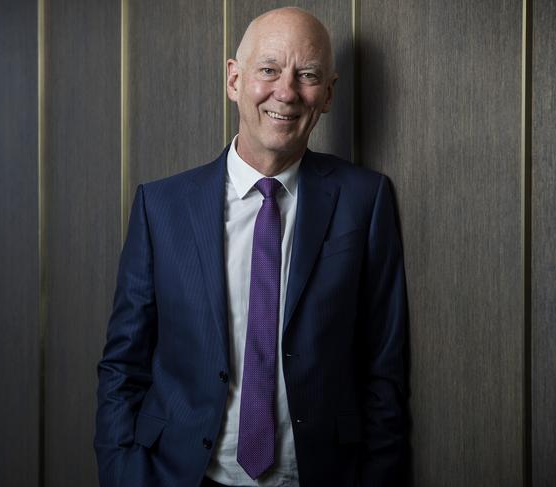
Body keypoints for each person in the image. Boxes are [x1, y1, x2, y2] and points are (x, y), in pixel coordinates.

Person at [95, 7, 407, 487]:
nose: (286, 92)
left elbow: (383, 369)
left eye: (307, 76)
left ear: (327, 95)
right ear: (234, 79)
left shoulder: (365, 201)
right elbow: (124, 363)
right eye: (268, 70)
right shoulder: (161, 207)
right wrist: (123, 474)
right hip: (178, 475)